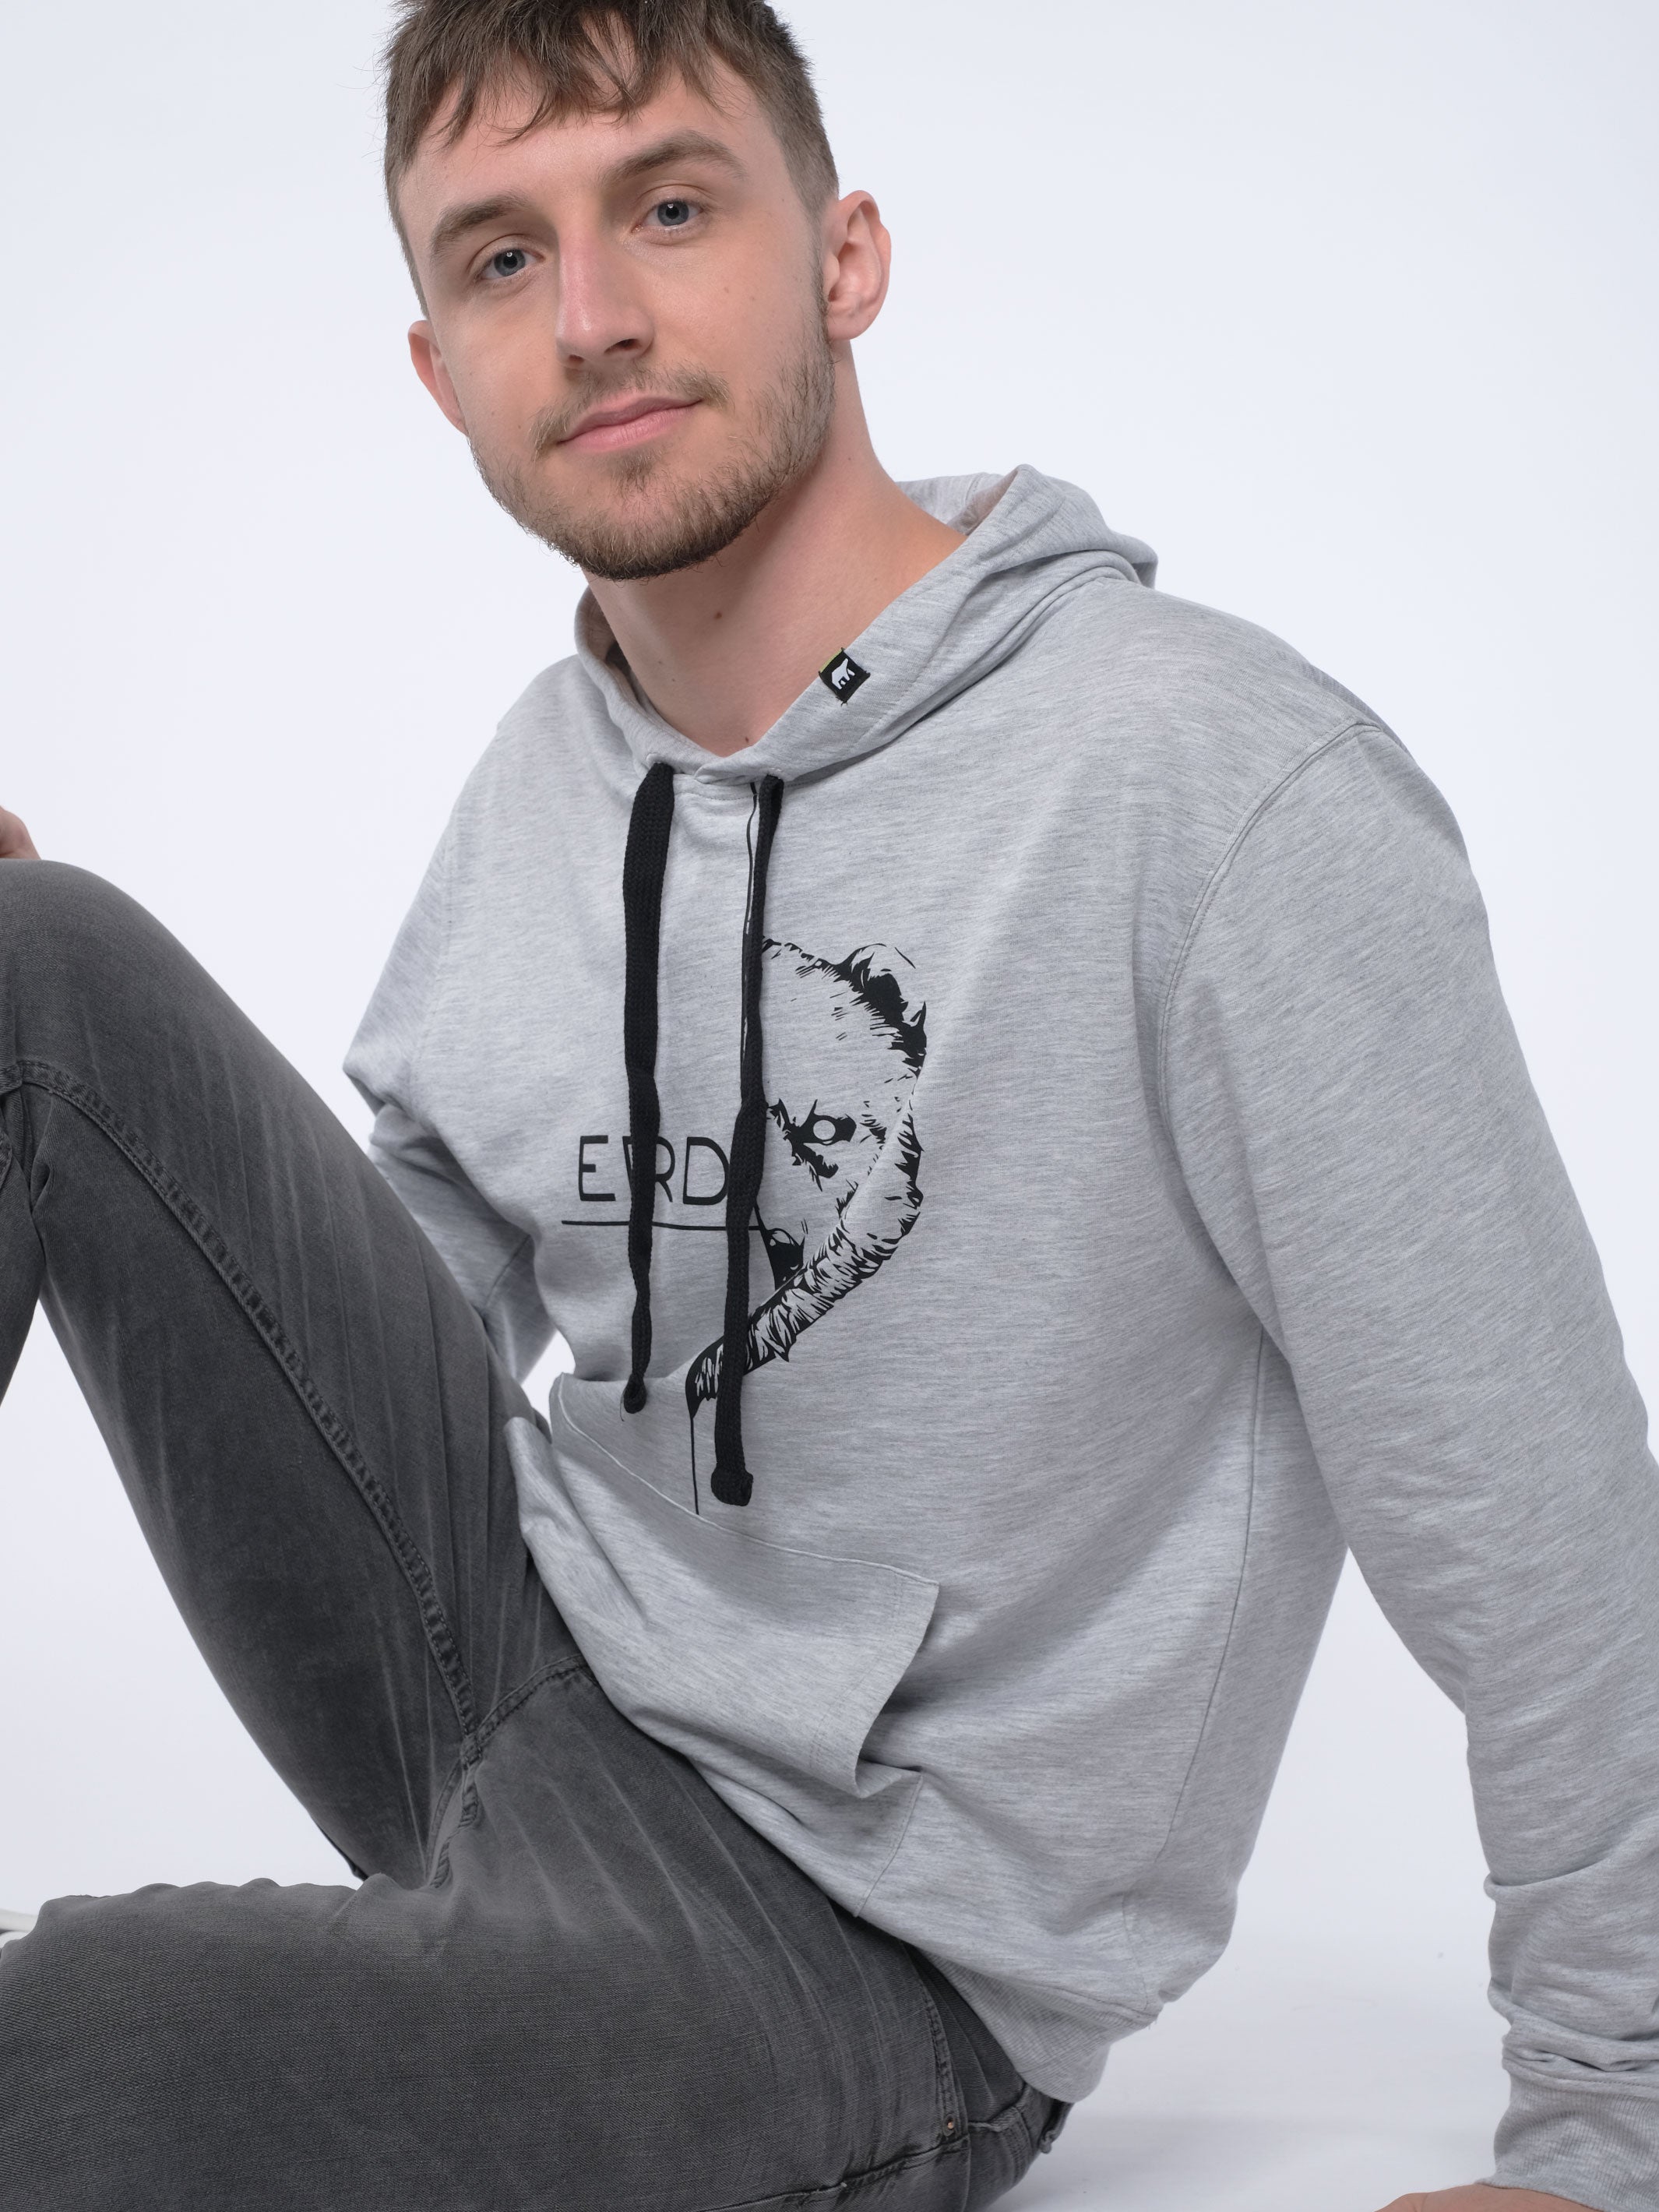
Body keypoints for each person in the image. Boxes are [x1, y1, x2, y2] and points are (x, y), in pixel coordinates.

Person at [0, 0, 1650, 2205]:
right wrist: (93, 1106)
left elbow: (1538, 1517)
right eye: (502, 258)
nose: (592, 316)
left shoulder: (1214, 788)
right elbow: (398, 1326)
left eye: (671, 209)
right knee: (27, 952)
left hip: (862, 1953)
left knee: (84, 2046)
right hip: (527, 1680)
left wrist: (1612, 2125)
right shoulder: (550, 774)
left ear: (846, 256)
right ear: (436, 368)